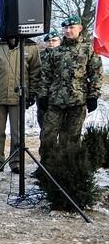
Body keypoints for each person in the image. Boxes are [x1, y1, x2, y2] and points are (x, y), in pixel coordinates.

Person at [38, 15, 102, 164]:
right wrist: (43, 96)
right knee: (48, 135)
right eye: (66, 28)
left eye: (72, 27)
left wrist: (93, 96)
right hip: (55, 101)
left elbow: (96, 75)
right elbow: (45, 75)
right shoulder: (55, 52)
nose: (68, 31)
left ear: (80, 28)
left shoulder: (88, 50)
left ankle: (68, 170)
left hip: (77, 101)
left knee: (71, 138)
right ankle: (47, 168)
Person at [0, 35, 41, 174]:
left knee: (17, 132)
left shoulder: (30, 46)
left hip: (18, 97)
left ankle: (15, 162)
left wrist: (32, 93)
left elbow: (35, 71)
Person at [37, 29, 61, 129]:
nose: (51, 43)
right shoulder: (39, 56)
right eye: (48, 41)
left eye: (54, 40)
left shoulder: (64, 54)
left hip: (60, 94)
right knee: (43, 123)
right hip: (43, 94)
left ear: (59, 41)